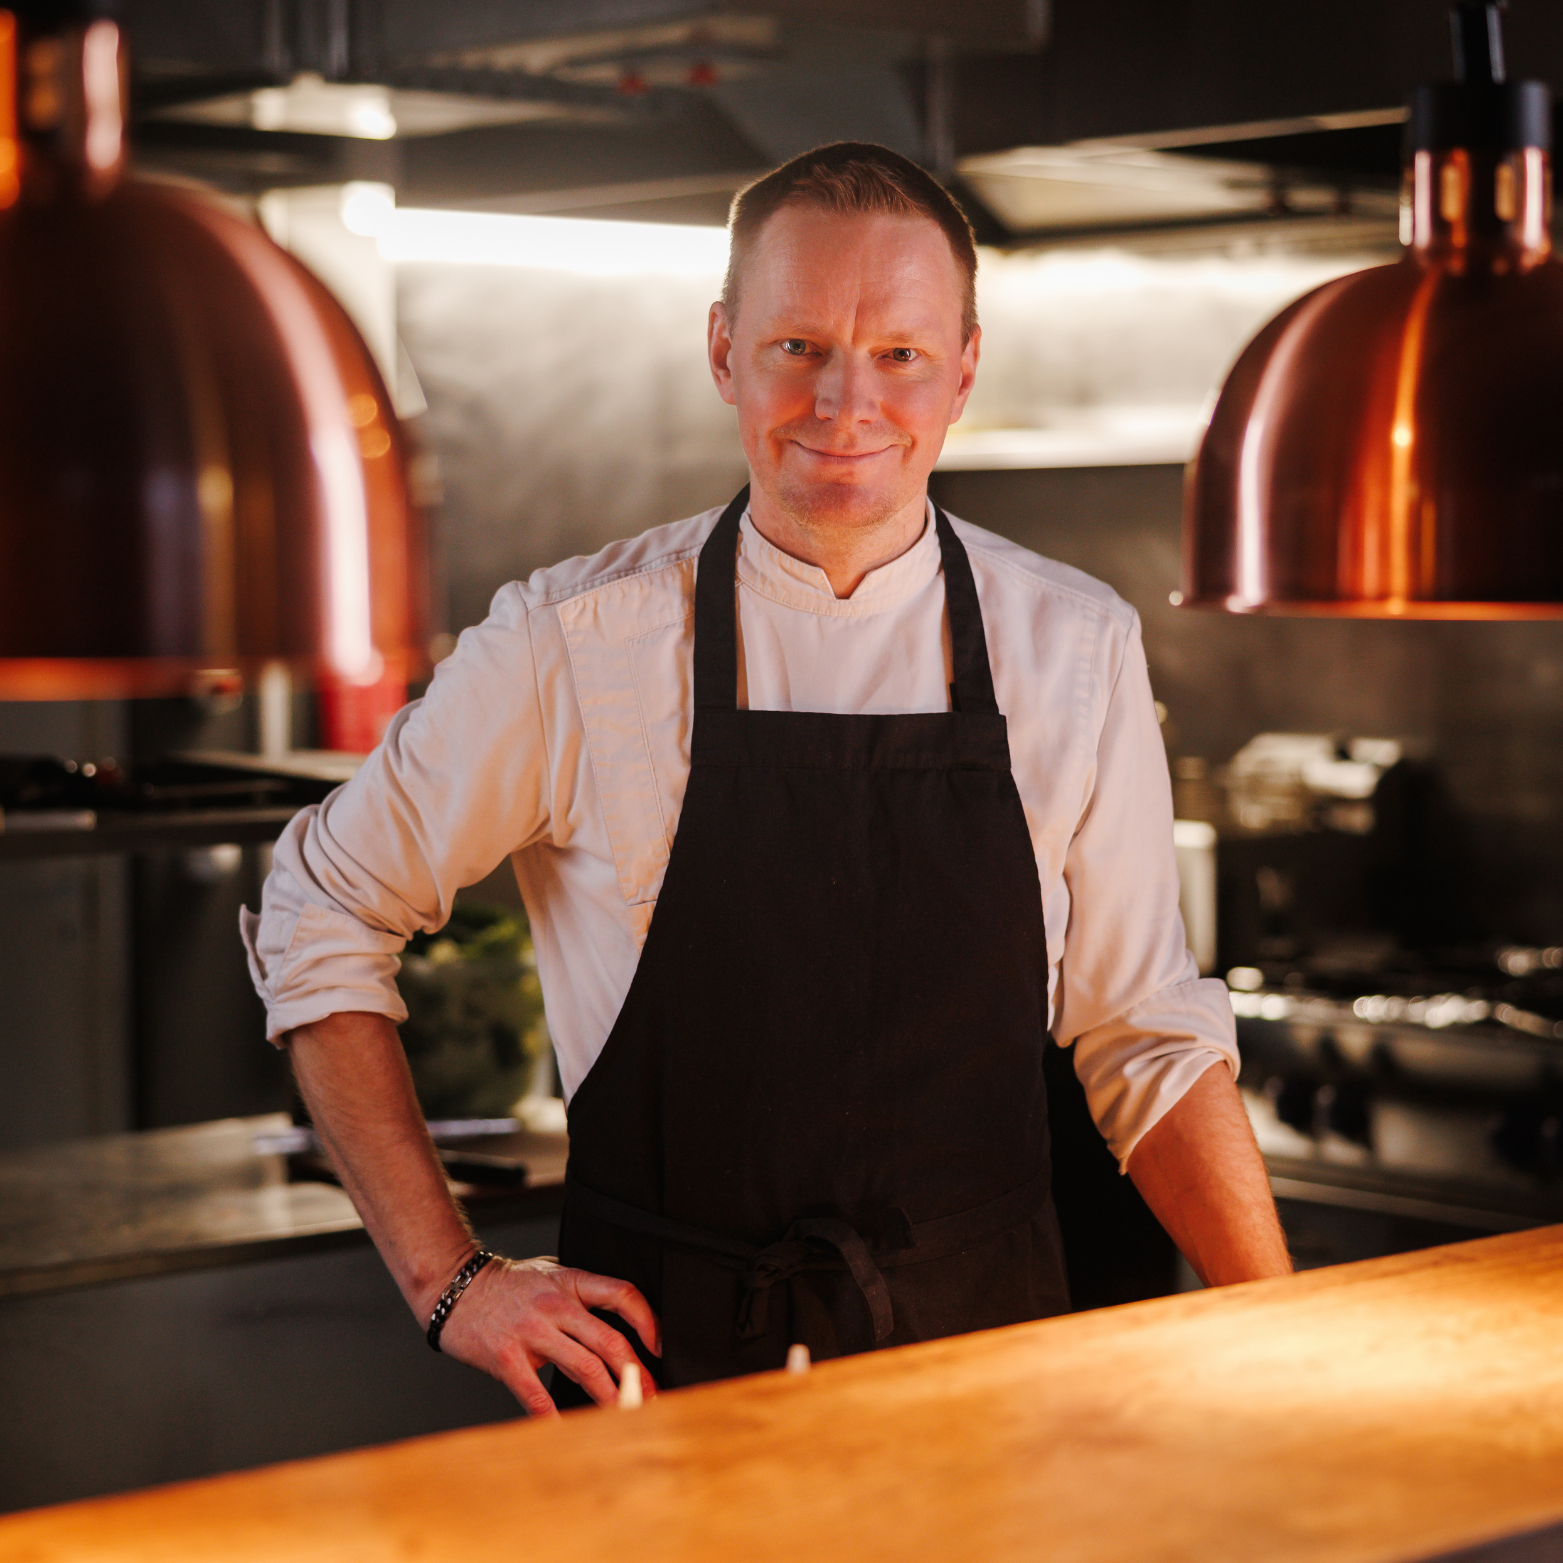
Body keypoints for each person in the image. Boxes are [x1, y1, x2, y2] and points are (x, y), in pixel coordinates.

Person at [242, 141, 1290, 1418]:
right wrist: (448, 1278)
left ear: (963, 368)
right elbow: (320, 904)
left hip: (990, 1388)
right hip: (662, 1386)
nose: (847, 402)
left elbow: (1146, 1035)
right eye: (799, 345)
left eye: (900, 353)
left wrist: (1283, 1339)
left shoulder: (1073, 647)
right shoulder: (573, 645)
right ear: (723, 349)